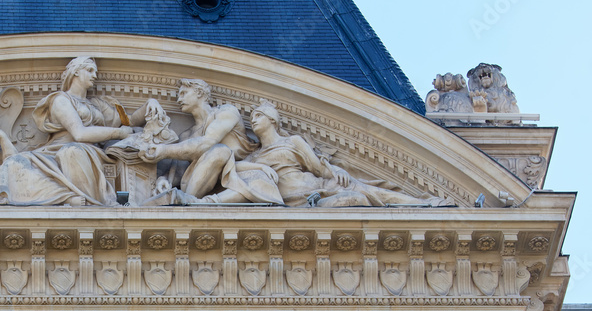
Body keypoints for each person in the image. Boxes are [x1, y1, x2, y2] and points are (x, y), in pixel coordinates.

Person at [221, 101, 450, 207]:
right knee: (358, 198)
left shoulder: (293, 141)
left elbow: (316, 167)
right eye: (252, 117)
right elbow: (233, 168)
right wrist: (260, 168)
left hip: (316, 186)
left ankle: (423, 204)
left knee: (366, 190)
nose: (252, 119)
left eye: (258, 115)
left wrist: (336, 169)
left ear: (273, 120)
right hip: (294, 198)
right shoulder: (255, 157)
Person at [0, 56, 137, 206]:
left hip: (86, 152)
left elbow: (129, 120)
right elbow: (79, 134)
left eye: (95, 72)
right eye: (90, 70)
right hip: (56, 151)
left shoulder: (97, 105)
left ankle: (86, 202)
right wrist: (118, 133)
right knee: (14, 162)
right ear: (76, 72)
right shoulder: (61, 100)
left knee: (71, 152)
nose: (95, 76)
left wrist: (151, 105)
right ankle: (66, 197)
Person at [140, 78, 281, 205]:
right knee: (220, 151)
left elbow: (206, 143)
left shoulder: (226, 112)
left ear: (199, 93)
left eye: (183, 94)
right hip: (196, 185)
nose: (179, 100)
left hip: (238, 173)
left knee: (221, 151)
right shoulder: (187, 136)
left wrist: (164, 150)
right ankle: (187, 201)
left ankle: (190, 202)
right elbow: (178, 173)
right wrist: (163, 180)